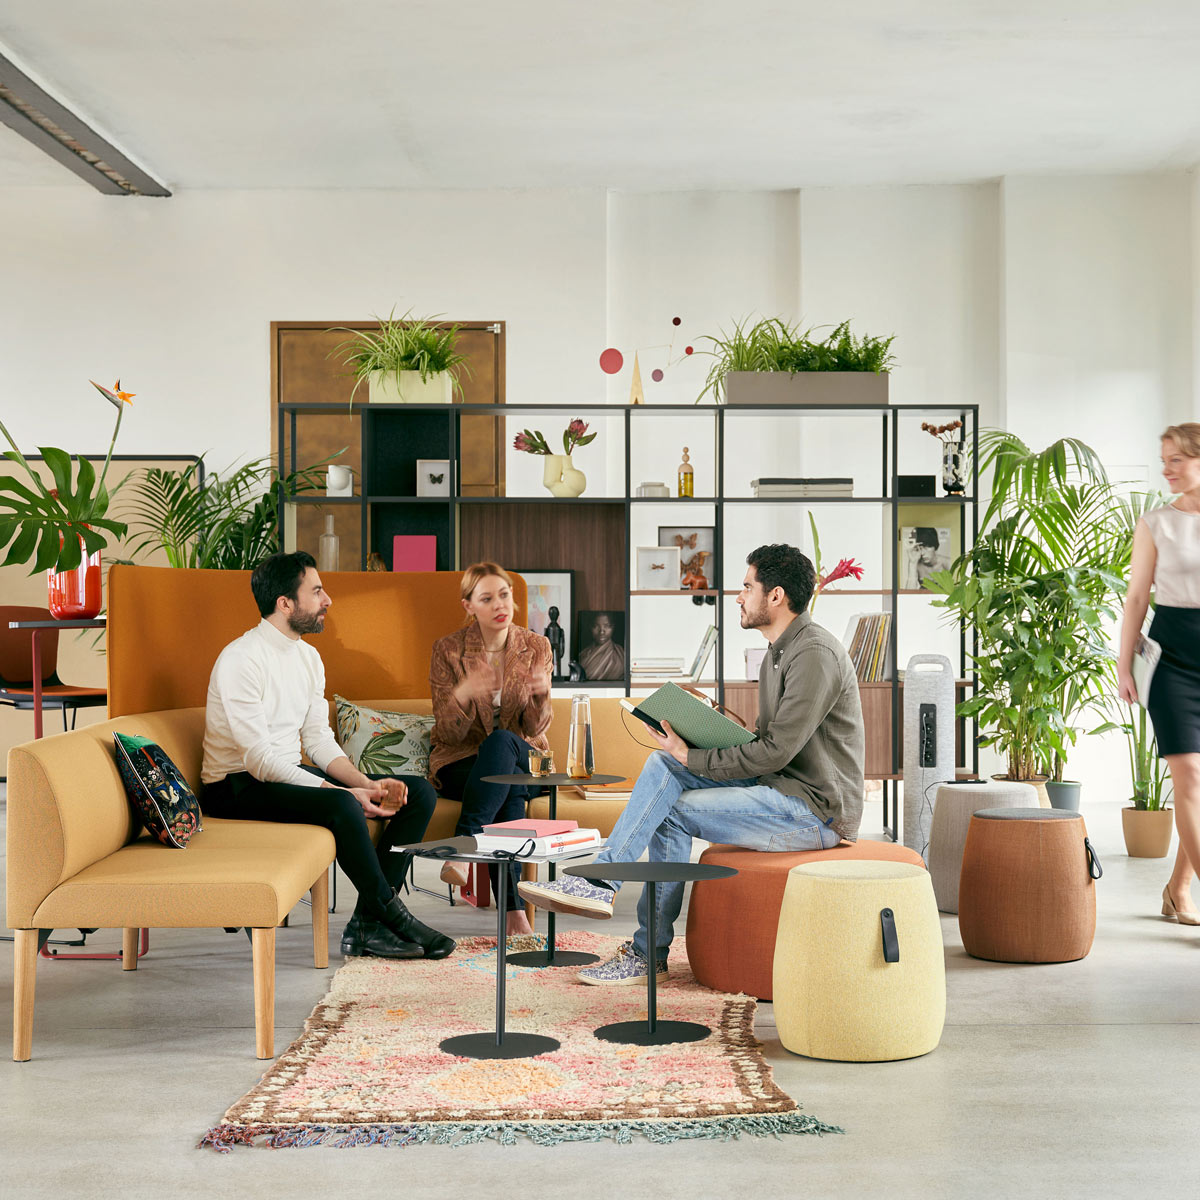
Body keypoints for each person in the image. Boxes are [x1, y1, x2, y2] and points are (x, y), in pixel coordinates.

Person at [520, 543, 865, 985]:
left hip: (815, 812)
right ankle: (602, 883)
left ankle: (644, 949)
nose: (739, 597)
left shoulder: (813, 654)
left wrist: (694, 755)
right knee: (665, 767)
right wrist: (695, 739)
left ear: (776, 596)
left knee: (671, 810)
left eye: (747, 587)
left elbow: (776, 751)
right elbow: (766, 744)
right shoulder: (778, 652)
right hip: (779, 788)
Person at [201, 551, 454, 960]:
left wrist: (367, 785)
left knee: (417, 792)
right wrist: (338, 793)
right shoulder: (240, 660)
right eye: (316, 591)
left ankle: (367, 925)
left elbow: (318, 739)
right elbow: (259, 760)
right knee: (340, 804)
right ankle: (392, 915)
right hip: (235, 786)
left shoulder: (308, 657)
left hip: (285, 774)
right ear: (286, 603)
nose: (327, 600)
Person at [429, 562, 554, 935]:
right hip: (462, 763)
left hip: (523, 755)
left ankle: (465, 847)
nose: (500, 604)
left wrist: (542, 697)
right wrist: (464, 692)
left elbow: (534, 729)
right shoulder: (448, 650)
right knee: (508, 783)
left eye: (505, 594)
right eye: (487, 598)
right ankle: (515, 913)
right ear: (469, 606)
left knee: (504, 748)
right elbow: (448, 735)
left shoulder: (536, 646)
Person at [1119, 423, 1200, 926]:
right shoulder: (1156, 523)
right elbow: (1136, 599)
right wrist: (1124, 663)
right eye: (1163, 460)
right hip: (1173, 661)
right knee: (1189, 776)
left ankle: (1177, 891)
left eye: (1176, 460)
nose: (1166, 469)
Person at [579, 611, 625, 681]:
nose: (601, 631)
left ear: (613, 627)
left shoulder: (620, 654)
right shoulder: (583, 653)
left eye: (607, 626)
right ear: (590, 627)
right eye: (596, 626)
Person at [545, 605, 566, 678]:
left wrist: (562, 650)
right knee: (551, 661)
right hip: (550, 645)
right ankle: (552, 674)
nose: (553, 615)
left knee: (557, 661)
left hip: (557, 645)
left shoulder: (558, 628)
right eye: (552, 614)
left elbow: (562, 640)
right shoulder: (549, 627)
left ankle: (558, 674)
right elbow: (545, 638)